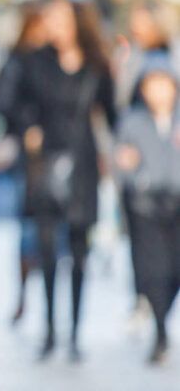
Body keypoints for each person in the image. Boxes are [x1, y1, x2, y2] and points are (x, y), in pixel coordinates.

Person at [14, 0, 116, 360]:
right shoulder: (35, 61)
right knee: (46, 248)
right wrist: (28, 128)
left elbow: (111, 112)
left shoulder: (96, 63)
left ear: (75, 20)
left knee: (79, 250)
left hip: (83, 164)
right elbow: (17, 103)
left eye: (59, 16)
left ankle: (74, 333)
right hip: (45, 162)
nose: (52, 23)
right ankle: (50, 332)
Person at [113, 54, 180, 364]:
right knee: (153, 269)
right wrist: (130, 169)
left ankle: (163, 319)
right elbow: (121, 162)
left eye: (164, 84)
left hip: (176, 205)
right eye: (152, 84)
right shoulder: (132, 120)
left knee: (174, 270)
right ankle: (160, 330)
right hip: (146, 205)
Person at [0, 1, 48, 324]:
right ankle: (25, 292)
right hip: (29, 154)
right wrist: (26, 126)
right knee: (29, 226)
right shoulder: (20, 60)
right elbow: (3, 101)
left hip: (52, 151)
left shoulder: (55, 60)